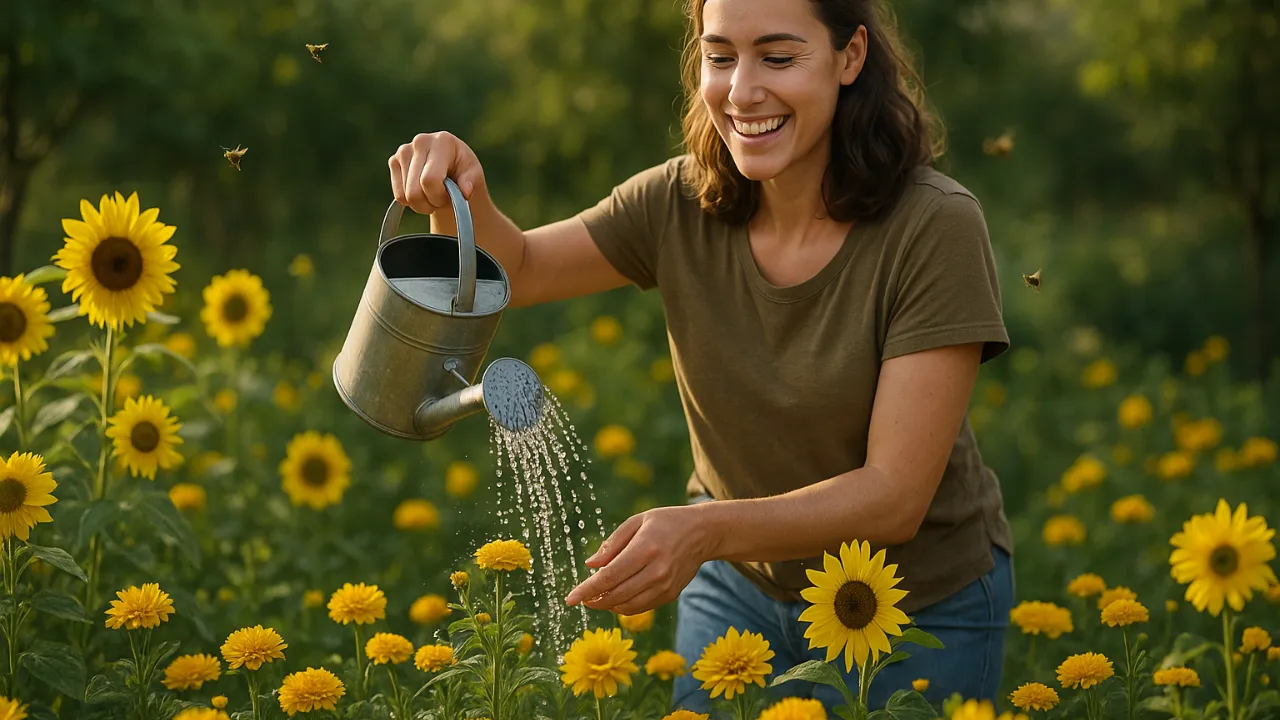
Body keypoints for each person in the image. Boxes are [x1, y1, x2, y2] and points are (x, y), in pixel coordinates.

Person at [387, 0, 1014, 713]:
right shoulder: (679, 200)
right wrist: (459, 194)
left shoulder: (934, 226)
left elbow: (894, 497)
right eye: (720, 56)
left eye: (778, 57)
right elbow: (520, 268)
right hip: (738, 590)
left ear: (851, 57)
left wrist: (705, 530)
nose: (742, 91)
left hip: (911, 604)